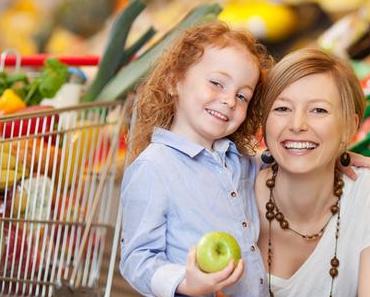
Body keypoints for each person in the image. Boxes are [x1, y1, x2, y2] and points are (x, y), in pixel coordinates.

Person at [119, 21, 273, 297]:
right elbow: (137, 258)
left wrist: (339, 159)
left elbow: (282, 165)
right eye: (216, 83)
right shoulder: (154, 167)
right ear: (173, 81)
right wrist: (185, 283)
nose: (229, 101)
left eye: (242, 96)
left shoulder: (239, 161)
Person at [255, 48, 370, 297]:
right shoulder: (232, 191)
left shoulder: (365, 197)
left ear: (350, 126)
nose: (297, 125)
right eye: (282, 109)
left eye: (318, 110)